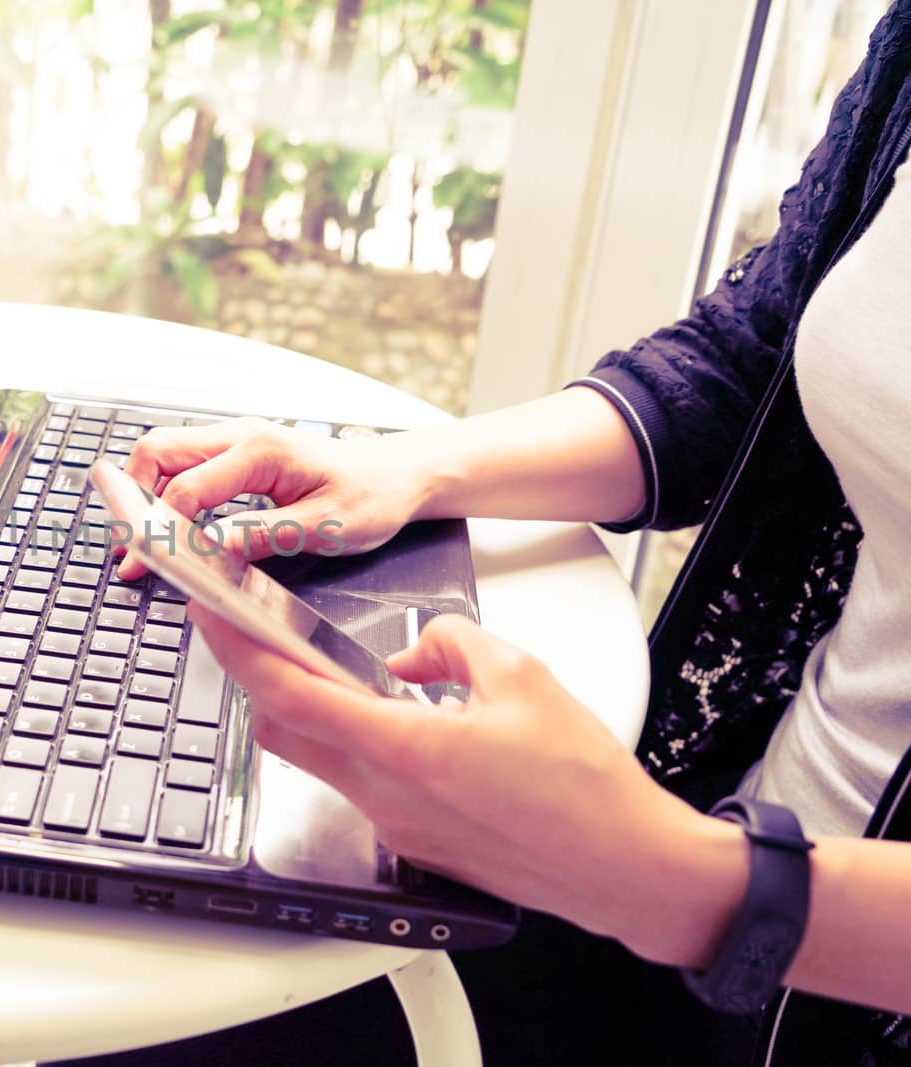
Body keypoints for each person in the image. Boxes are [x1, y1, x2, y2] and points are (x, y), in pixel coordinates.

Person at [80, 7, 911, 1065]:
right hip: (716, 864)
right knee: (158, 967)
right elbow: (760, 353)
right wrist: (412, 468)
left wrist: (654, 872)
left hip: (771, 957)